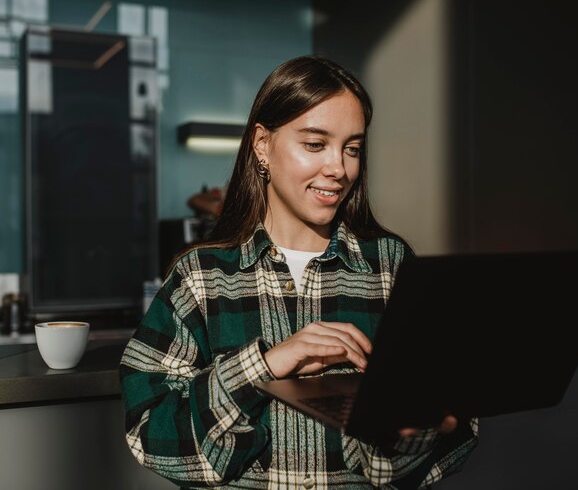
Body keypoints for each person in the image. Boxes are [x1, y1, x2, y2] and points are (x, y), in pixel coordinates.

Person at [120, 55, 478, 489]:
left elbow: (446, 434)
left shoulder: (390, 267)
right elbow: (151, 435)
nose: (339, 169)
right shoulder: (200, 276)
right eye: (315, 144)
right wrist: (263, 366)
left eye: (352, 148)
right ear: (262, 145)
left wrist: (416, 429)